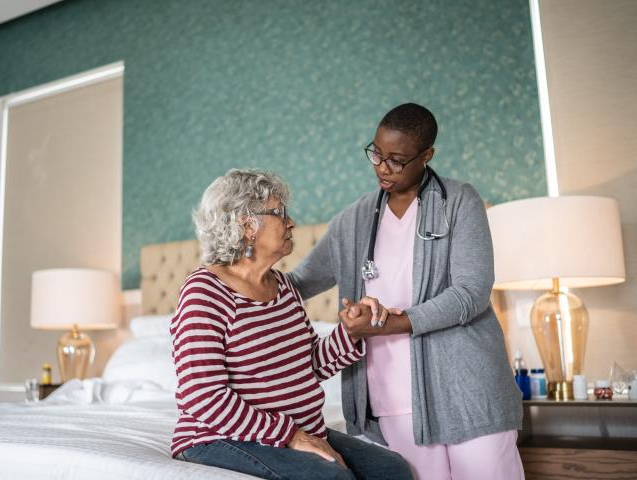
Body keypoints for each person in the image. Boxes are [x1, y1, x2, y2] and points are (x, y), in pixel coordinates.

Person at [288, 103, 525, 480]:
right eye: (377, 154)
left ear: (426, 155)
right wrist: (231, 278)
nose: (383, 167)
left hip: (466, 388)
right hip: (392, 394)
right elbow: (295, 285)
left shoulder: (459, 201)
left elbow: (471, 293)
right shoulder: (352, 221)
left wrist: (391, 323)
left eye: (397, 160)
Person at [171, 169, 413, 480]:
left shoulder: (283, 286)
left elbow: (306, 365)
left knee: (392, 469)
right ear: (246, 224)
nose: (291, 222)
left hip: (293, 430)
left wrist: (351, 332)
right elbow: (203, 397)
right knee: (333, 478)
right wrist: (291, 436)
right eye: (279, 212)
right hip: (218, 437)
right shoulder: (205, 291)